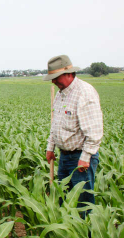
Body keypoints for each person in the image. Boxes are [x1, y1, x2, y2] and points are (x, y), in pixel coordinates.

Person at [43, 55, 103, 218]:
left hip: (80, 158)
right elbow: (55, 124)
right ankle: (68, 237)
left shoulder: (85, 93)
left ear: (69, 74)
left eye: (56, 78)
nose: (53, 82)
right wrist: (50, 147)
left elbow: (95, 132)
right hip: (65, 157)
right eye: (52, 78)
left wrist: (85, 157)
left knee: (83, 203)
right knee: (65, 199)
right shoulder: (61, 94)